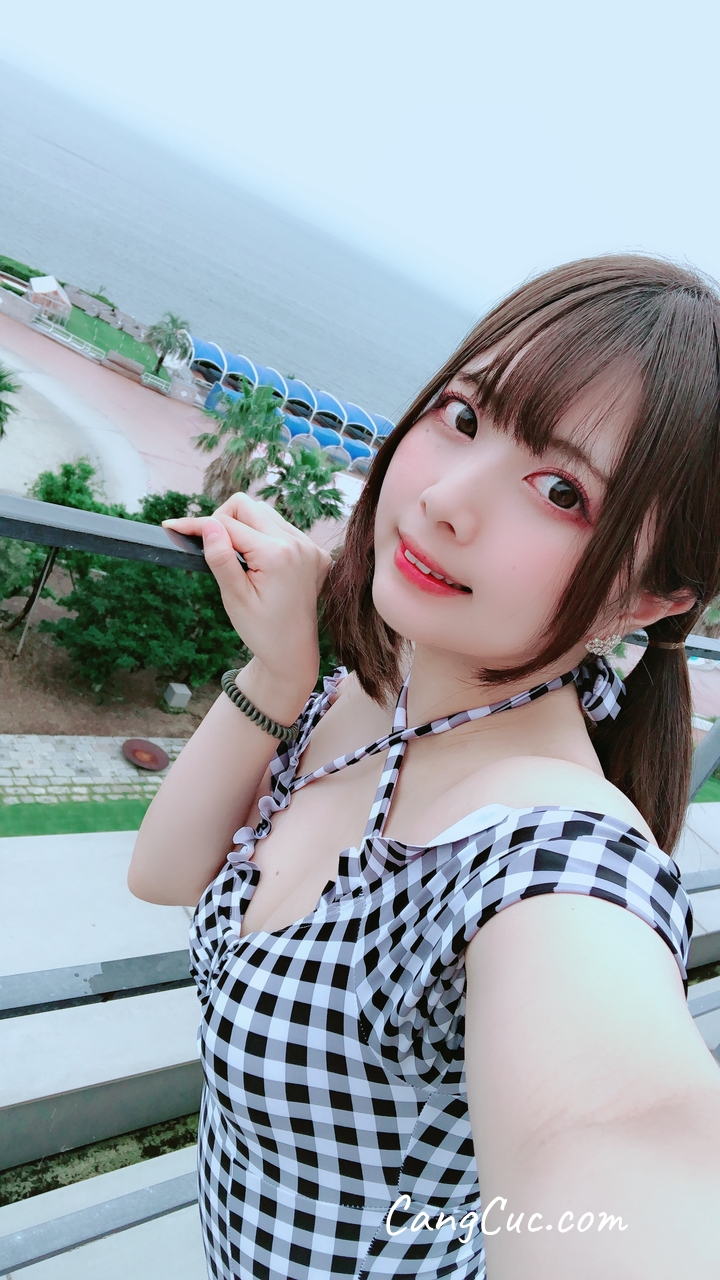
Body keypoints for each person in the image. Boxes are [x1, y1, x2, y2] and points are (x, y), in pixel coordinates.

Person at [128, 254, 720, 1280]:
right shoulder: (363, 694)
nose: (446, 498)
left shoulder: (550, 856)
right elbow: (165, 873)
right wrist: (278, 669)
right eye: (462, 415)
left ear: (649, 600)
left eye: (561, 491)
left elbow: (622, 1135)